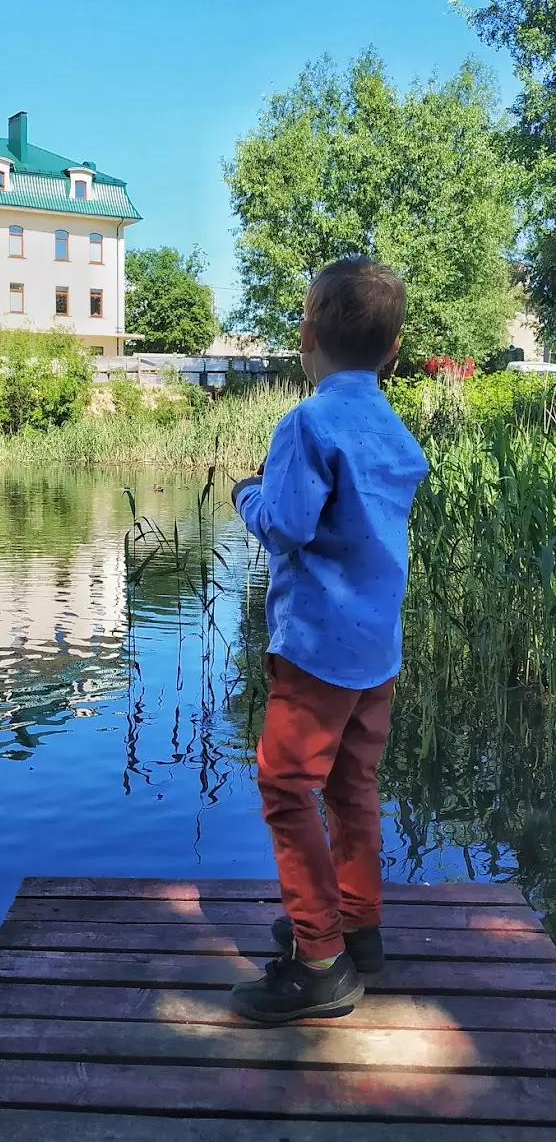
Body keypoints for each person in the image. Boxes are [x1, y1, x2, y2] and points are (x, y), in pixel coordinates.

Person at [229, 256, 428, 1024]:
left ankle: (320, 961)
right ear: (395, 350)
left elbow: (285, 526)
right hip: (377, 650)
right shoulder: (392, 426)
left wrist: (248, 492)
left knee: (286, 786)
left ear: (306, 336)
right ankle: (357, 925)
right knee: (352, 787)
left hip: (317, 650)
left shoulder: (308, 423)